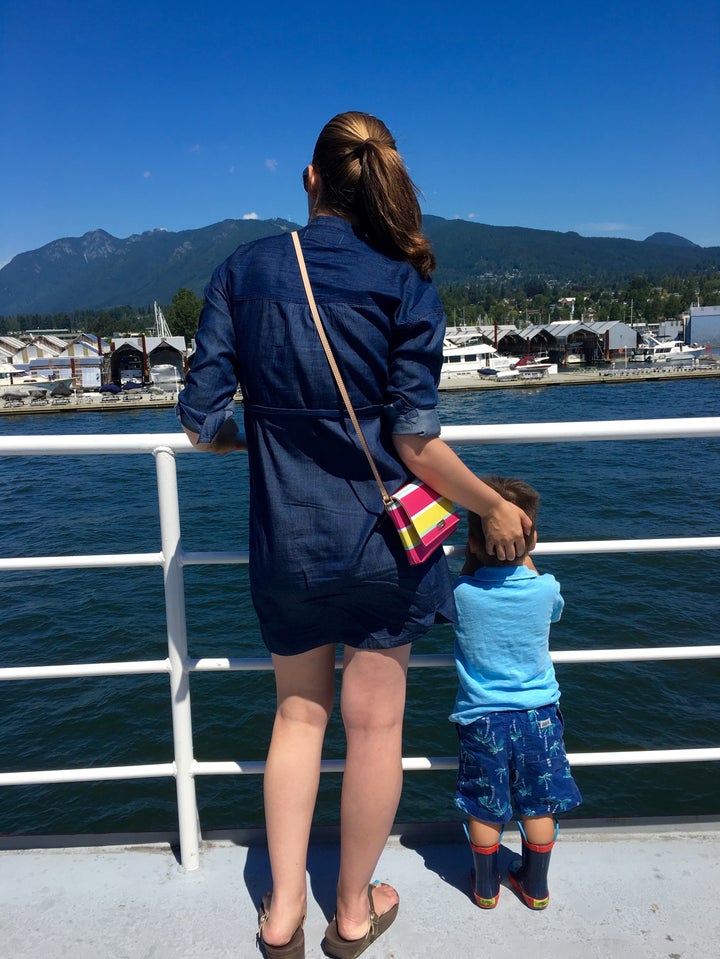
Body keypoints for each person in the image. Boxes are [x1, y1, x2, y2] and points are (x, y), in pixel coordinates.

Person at [176, 111, 531, 959]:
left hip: (286, 541)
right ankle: (352, 913)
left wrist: (250, 435)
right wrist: (490, 505)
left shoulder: (245, 269)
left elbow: (198, 420)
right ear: (376, 182)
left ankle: (279, 915)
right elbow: (415, 442)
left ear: (310, 178)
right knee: (376, 731)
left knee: (298, 717)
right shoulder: (405, 283)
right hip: (385, 544)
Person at [450, 475, 582, 911]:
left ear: (470, 543)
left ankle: (486, 890)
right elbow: (554, 609)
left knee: (485, 804)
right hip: (539, 715)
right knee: (538, 802)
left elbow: (459, 594)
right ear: (534, 540)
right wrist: (525, 556)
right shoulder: (546, 589)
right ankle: (535, 887)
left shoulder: (462, 594)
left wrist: (474, 559)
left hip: (482, 718)